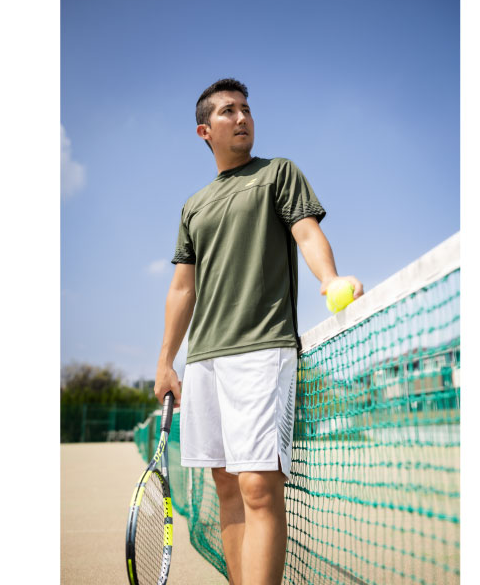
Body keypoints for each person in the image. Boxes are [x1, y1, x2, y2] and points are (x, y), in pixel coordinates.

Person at [154, 78, 363, 585]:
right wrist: (165, 363)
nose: (242, 117)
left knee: (257, 488)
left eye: (246, 109)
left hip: (263, 349)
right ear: (205, 130)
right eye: (228, 111)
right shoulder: (193, 205)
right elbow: (183, 288)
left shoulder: (278, 173)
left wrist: (330, 278)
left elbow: (307, 232)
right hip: (204, 359)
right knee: (226, 487)